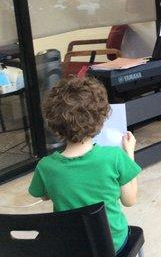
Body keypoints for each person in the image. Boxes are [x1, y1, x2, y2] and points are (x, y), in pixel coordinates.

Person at [28, 77, 141, 254]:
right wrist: (129, 154)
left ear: (54, 123)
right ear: (100, 120)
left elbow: (43, 196)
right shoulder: (114, 157)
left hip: (70, 248)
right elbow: (130, 200)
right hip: (112, 246)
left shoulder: (45, 166)